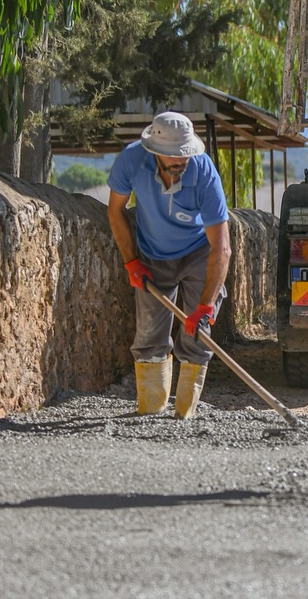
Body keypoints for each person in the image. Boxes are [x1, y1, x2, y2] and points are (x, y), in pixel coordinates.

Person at [107, 111, 230, 420]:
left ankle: (184, 414)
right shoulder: (131, 161)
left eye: (184, 157)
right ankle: (150, 410)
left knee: (198, 334)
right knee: (150, 335)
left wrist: (206, 304)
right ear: (155, 153)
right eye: (174, 159)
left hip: (199, 253)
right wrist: (131, 261)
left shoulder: (203, 172)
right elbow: (115, 211)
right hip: (153, 254)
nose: (181, 163)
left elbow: (222, 247)